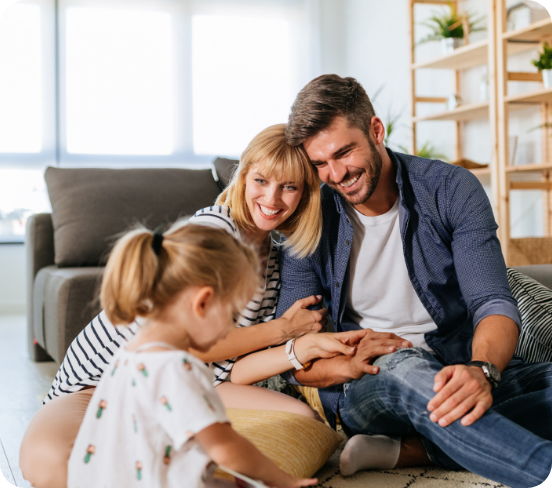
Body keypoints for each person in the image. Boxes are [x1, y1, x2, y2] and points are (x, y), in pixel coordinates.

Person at [20, 124, 384, 488]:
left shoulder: (276, 261)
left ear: (305, 195)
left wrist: (298, 349)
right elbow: (195, 342)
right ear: (242, 178)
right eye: (261, 181)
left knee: (304, 421)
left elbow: (230, 368)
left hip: (194, 375)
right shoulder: (215, 230)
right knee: (52, 468)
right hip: (102, 382)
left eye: (289, 187)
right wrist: (284, 330)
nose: (272, 198)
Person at [276, 74, 552, 488]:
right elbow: (293, 357)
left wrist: (481, 370)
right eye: (319, 164)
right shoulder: (309, 216)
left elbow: (492, 302)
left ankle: (413, 449)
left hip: (455, 361)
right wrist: (348, 363)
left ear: (375, 130)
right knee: (407, 367)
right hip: (368, 380)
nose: (334, 174)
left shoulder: (450, 188)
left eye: (344, 152)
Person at [66, 221, 320, 488]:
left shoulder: (129, 355)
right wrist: (282, 479)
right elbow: (225, 448)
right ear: (202, 303)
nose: (232, 327)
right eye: (233, 315)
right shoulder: (177, 367)